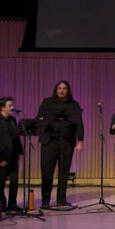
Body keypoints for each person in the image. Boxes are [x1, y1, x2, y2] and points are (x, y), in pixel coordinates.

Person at [36, 80, 84, 208]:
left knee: (64, 171)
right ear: (56, 90)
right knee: (47, 171)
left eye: (64, 88)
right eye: (59, 88)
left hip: (66, 141)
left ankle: (61, 199)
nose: (62, 90)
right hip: (49, 141)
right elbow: (38, 118)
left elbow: (79, 123)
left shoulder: (74, 104)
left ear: (68, 90)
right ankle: (45, 200)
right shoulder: (47, 102)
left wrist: (80, 140)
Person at [0, 96, 23, 211]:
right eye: (10, 106)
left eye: (12, 105)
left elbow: (16, 137)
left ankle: (12, 204)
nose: (12, 108)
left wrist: (19, 153)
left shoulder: (13, 120)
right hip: (3, 157)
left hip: (13, 155)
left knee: (14, 181)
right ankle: (2, 203)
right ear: (2, 107)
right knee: (1, 181)